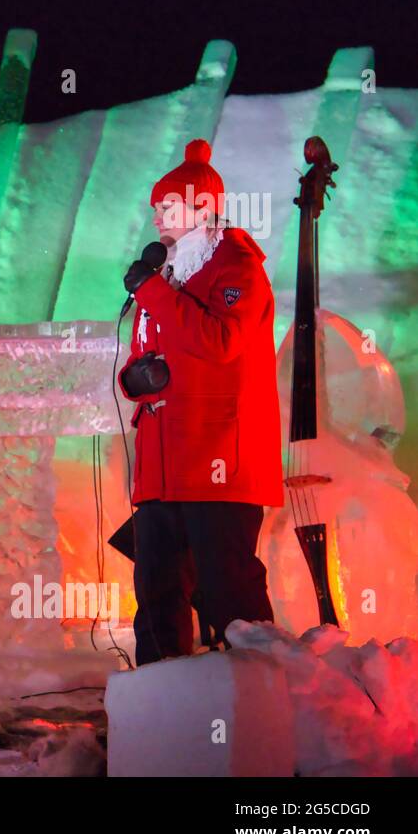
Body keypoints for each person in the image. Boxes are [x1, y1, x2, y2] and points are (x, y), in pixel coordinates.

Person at [118, 139, 282, 666]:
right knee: (156, 597)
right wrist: (134, 380)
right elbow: (149, 351)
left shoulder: (236, 266)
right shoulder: (167, 276)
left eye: (169, 206)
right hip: (162, 467)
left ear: (204, 206)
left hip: (216, 461)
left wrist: (155, 294)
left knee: (228, 592)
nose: (159, 217)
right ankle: (159, 715)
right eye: (157, 208)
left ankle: (265, 705)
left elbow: (221, 343)